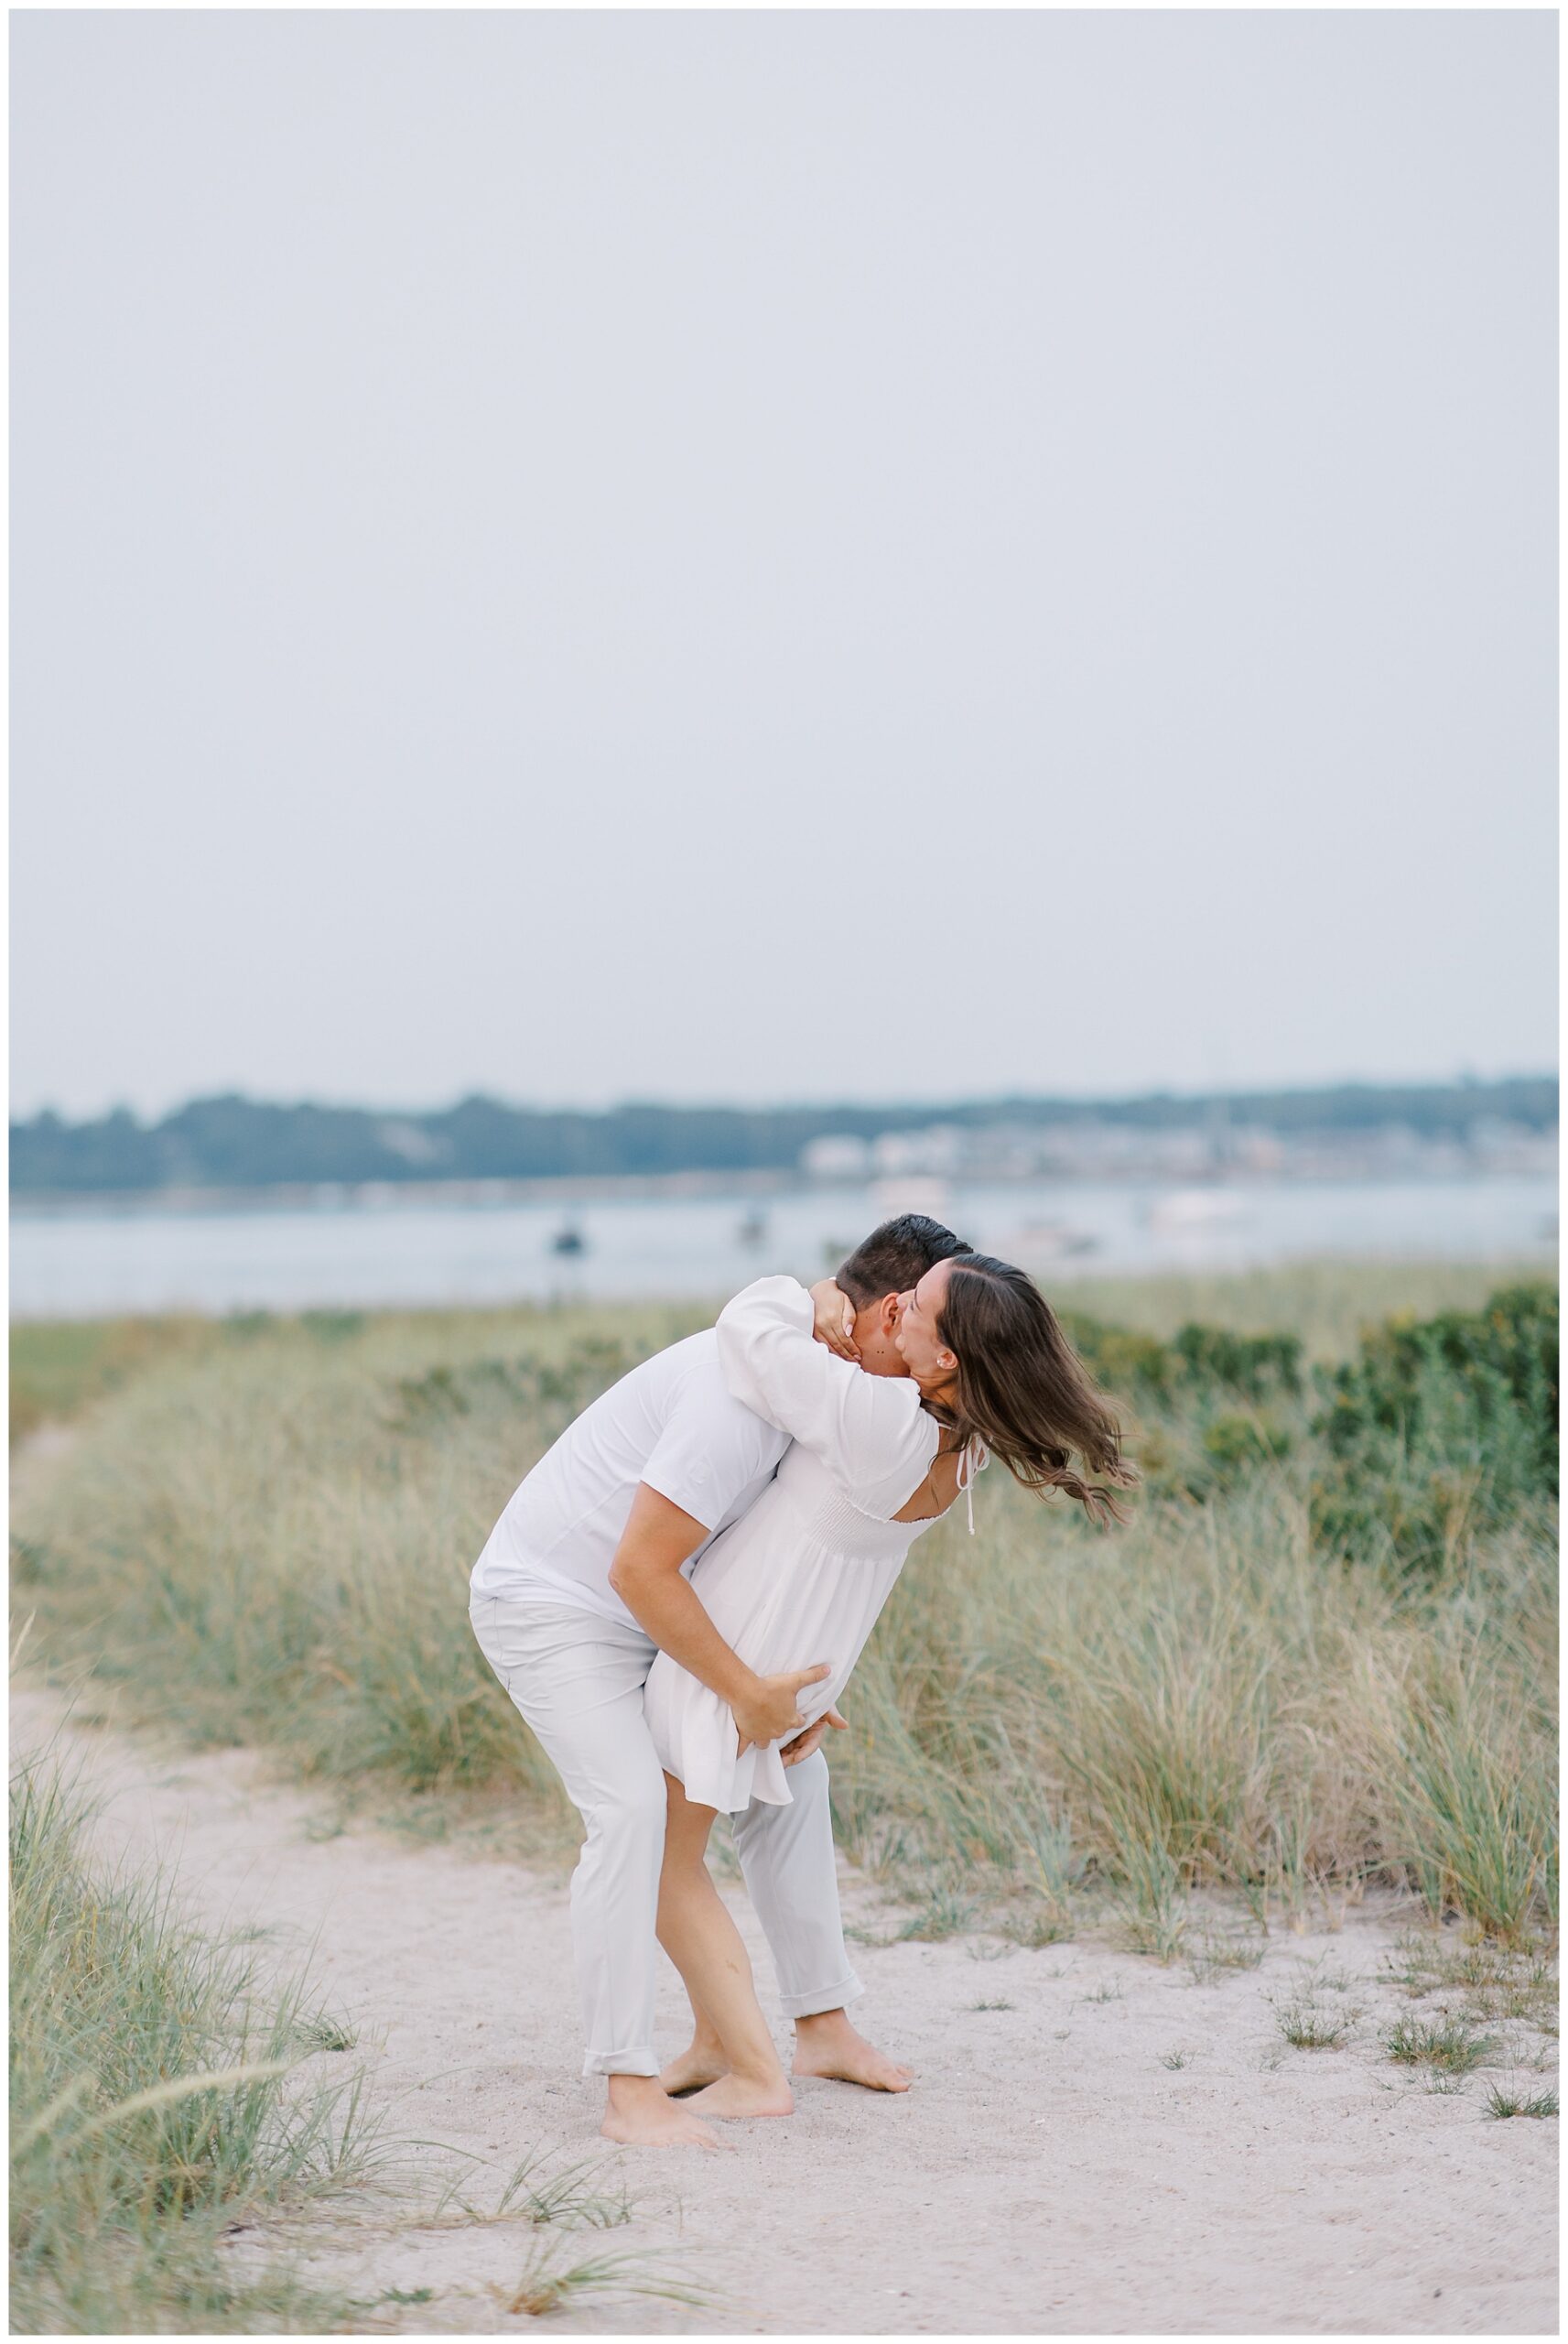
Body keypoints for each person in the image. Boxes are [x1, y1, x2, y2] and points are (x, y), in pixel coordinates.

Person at [469, 1215, 975, 2150]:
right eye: (921, 1346)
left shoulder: (818, 1387)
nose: (925, 1383)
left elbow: (783, 1554)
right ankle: (628, 2089)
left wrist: (786, 1696)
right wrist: (742, 1691)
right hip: (558, 1606)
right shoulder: (741, 1395)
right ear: (886, 1313)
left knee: (793, 1773)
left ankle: (818, 2028)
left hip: (660, 1607)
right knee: (630, 1814)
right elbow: (637, 1569)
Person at [643, 1252, 1136, 2120]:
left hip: (731, 1663)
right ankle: (824, 2031)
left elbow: (746, 1331)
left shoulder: (875, 1419)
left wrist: (817, 1297)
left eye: (917, 1306)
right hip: (799, 1670)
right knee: (787, 1820)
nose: (896, 1306)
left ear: (946, 1360)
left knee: (662, 1867)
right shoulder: (969, 1444)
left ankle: (751, 2072)